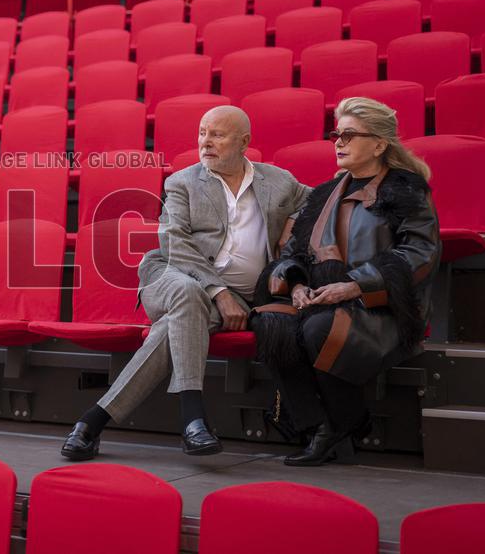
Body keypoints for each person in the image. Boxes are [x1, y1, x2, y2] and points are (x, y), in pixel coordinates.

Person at [60, 105, 309, 460]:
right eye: (202, 133)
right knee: (189, 293)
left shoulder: (279, 181)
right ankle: (193, 416)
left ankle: (92, 422)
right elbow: (175, 242)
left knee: (174, 326)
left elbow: (320, 199)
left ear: (244, 142)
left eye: (217, 135)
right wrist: (220, 292)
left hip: (240, 297)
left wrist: (293, 222)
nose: (206, 142)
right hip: (171, 276)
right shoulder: (182, 182)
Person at [251, 97, 440, 467]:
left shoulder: (406, 189)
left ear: (380, 144)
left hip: (380, 305)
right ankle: (317, 424)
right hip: (322, 295)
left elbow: (420, 254)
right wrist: (297, 286)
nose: (339, 142)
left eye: (350, 135)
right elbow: (293, 251)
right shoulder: (324, 193)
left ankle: (344, 422)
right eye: (337, 134)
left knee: (321, 327)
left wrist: (355, 286)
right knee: (272, 323)